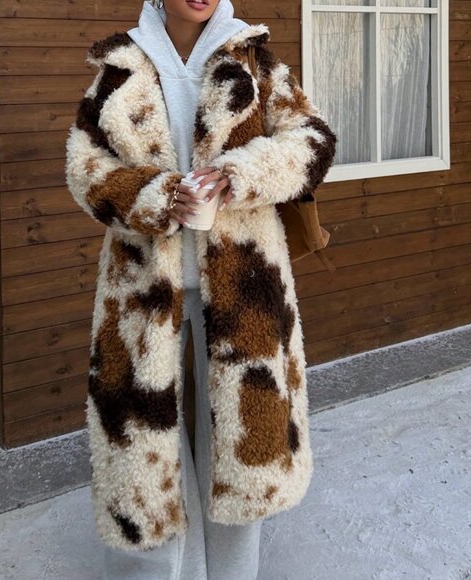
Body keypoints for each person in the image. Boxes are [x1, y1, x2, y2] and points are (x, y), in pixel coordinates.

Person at [65, 0, 337, 578]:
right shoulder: (122, 66)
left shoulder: (253, 60)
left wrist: (242, 175)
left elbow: (312, 140)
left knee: (240, 449)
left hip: (245, 291)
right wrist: (156, 198)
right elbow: (85, 167)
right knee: (147, 452)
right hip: (142, 293)